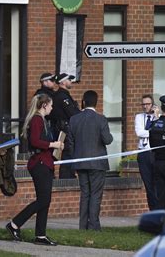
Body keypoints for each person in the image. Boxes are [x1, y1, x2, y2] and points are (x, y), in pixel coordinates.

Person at [6, 93, 63, 246]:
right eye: (50, 105)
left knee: (45, 200)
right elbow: (35, 141)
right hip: (39, 163)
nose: (52, 108)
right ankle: (14, 224)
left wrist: (56, 147)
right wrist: (53, 145)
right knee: (43, 199)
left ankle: (40, 235)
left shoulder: (41, 120)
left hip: (45, 162)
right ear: (44, 105)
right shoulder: (37, 119)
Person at [68, 90, 113, 230]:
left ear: (83, 102)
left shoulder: (74, 119)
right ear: (96, 102)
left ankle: (83, 226)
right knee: (95, 195)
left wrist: (74, 161)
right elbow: (108, 140)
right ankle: (94, 226)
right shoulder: (101, 119)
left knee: (85, 194)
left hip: (80, 162)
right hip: (97, 163)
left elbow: (70, 143)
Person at [49, 73, 80, 179]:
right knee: (68, 152)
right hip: (64, 129)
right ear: (62, 82)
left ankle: (68, 175)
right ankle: (67, 177)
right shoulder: (62, 96)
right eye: (68, 80)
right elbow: (72, 113)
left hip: (62, 128)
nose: (70, 82)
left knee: (67, 152)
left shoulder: (61, 95)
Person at [134, 94, 159, 211]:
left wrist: (157, 116)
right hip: (143, 152)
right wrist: (153, 133)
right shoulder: (139, 117)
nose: (145, 106)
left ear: (152, 105)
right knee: (148, 186)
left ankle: (160, 209)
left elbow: (160, 131)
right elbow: (139, 132)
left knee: (157, 184)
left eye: (147, 104)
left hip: (155, 153)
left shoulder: (158, 118)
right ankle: (153, 210)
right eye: (143, 104)